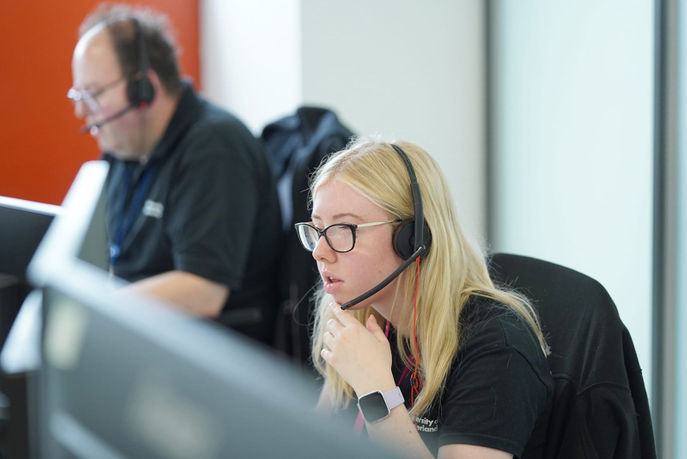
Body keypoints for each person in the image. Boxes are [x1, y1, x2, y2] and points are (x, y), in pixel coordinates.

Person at [295, 138, 553, 458]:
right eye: (318, 229)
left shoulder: (497, 348)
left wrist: (376, 390)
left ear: (412, 237)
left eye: (344, 228)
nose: (320, 252)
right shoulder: (359, 319)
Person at [68, 4, 282, 345]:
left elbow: (202, 291)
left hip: (209, 358)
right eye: (78, 95)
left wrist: (91, 312)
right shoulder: (127, 146)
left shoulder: (215, 147)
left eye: (92, 94)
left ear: (143, 90)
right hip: (148, 335)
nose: (82, 111)